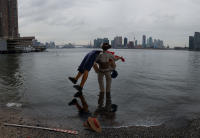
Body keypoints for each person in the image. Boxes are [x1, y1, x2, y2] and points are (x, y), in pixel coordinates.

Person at [93, 43, 122, 112]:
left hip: (100, 71)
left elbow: (95, 61)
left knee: (101, 87)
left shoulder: (99, 55)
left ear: (102, 48)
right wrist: (120, 57)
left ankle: (100, 102)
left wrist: (99, 62)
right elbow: (115, 59)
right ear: (108, 48)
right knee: (108, 86)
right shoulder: (109, 54)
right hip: (108, 71)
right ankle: (108, 99)